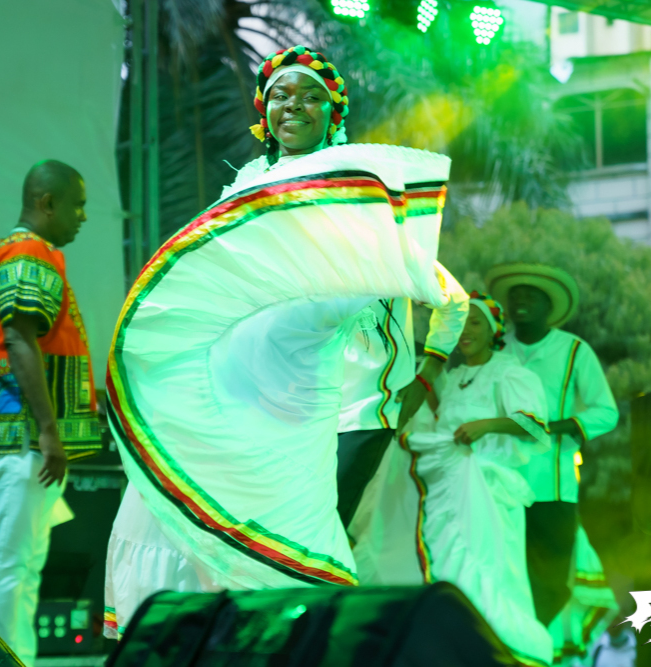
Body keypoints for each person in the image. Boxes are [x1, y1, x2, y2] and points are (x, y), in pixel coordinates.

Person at [103, 45, 453, 637]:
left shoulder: (353, 185)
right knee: (193, 510)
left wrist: (424, 360)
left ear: (333, 113)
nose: (294, 106)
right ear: (262, 112)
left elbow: (383, 271)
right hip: (238, 384)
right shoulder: (244, 186)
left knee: (291, 533)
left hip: (324, 396)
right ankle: (195, 641)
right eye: (280, 96)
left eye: (311, 96)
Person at [350, 292, 553, 665]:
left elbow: (535, 427)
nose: (465, 330)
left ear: (493, 331)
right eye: (460, 323)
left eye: (475, 322)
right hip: (447, 490)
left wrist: (485, 425)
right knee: (438, 560)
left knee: (485, 568)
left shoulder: (510, 373)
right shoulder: (450, 377)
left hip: (490, 491)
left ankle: (494, 648)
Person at [0, 160, 102, 666]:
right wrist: (48, 431)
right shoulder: (28, 252)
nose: (83, 216)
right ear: (47, 203)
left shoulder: (28, 253)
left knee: (21, 565)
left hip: (18, 436)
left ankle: (13, 658)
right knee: (11, 565)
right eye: (77, 205)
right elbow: (20, 339)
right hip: (18, 435)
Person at [484, 262, 619, 627]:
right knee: (504, 574)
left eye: (531, 295)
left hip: (553, 486)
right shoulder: (494, 349)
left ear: (549, 306)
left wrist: (556, 427)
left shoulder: (574, 350)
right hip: (499, 486)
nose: (521, 300)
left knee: (552, 581)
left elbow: (607, 412)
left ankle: (533, 644)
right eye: (515, 295)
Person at [337, 266, 468, 529]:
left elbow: (455, 301)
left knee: (329, 518)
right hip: (303, 407)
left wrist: (427, 374)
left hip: (366, 411)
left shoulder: (393, 247)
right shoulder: (307, 238)